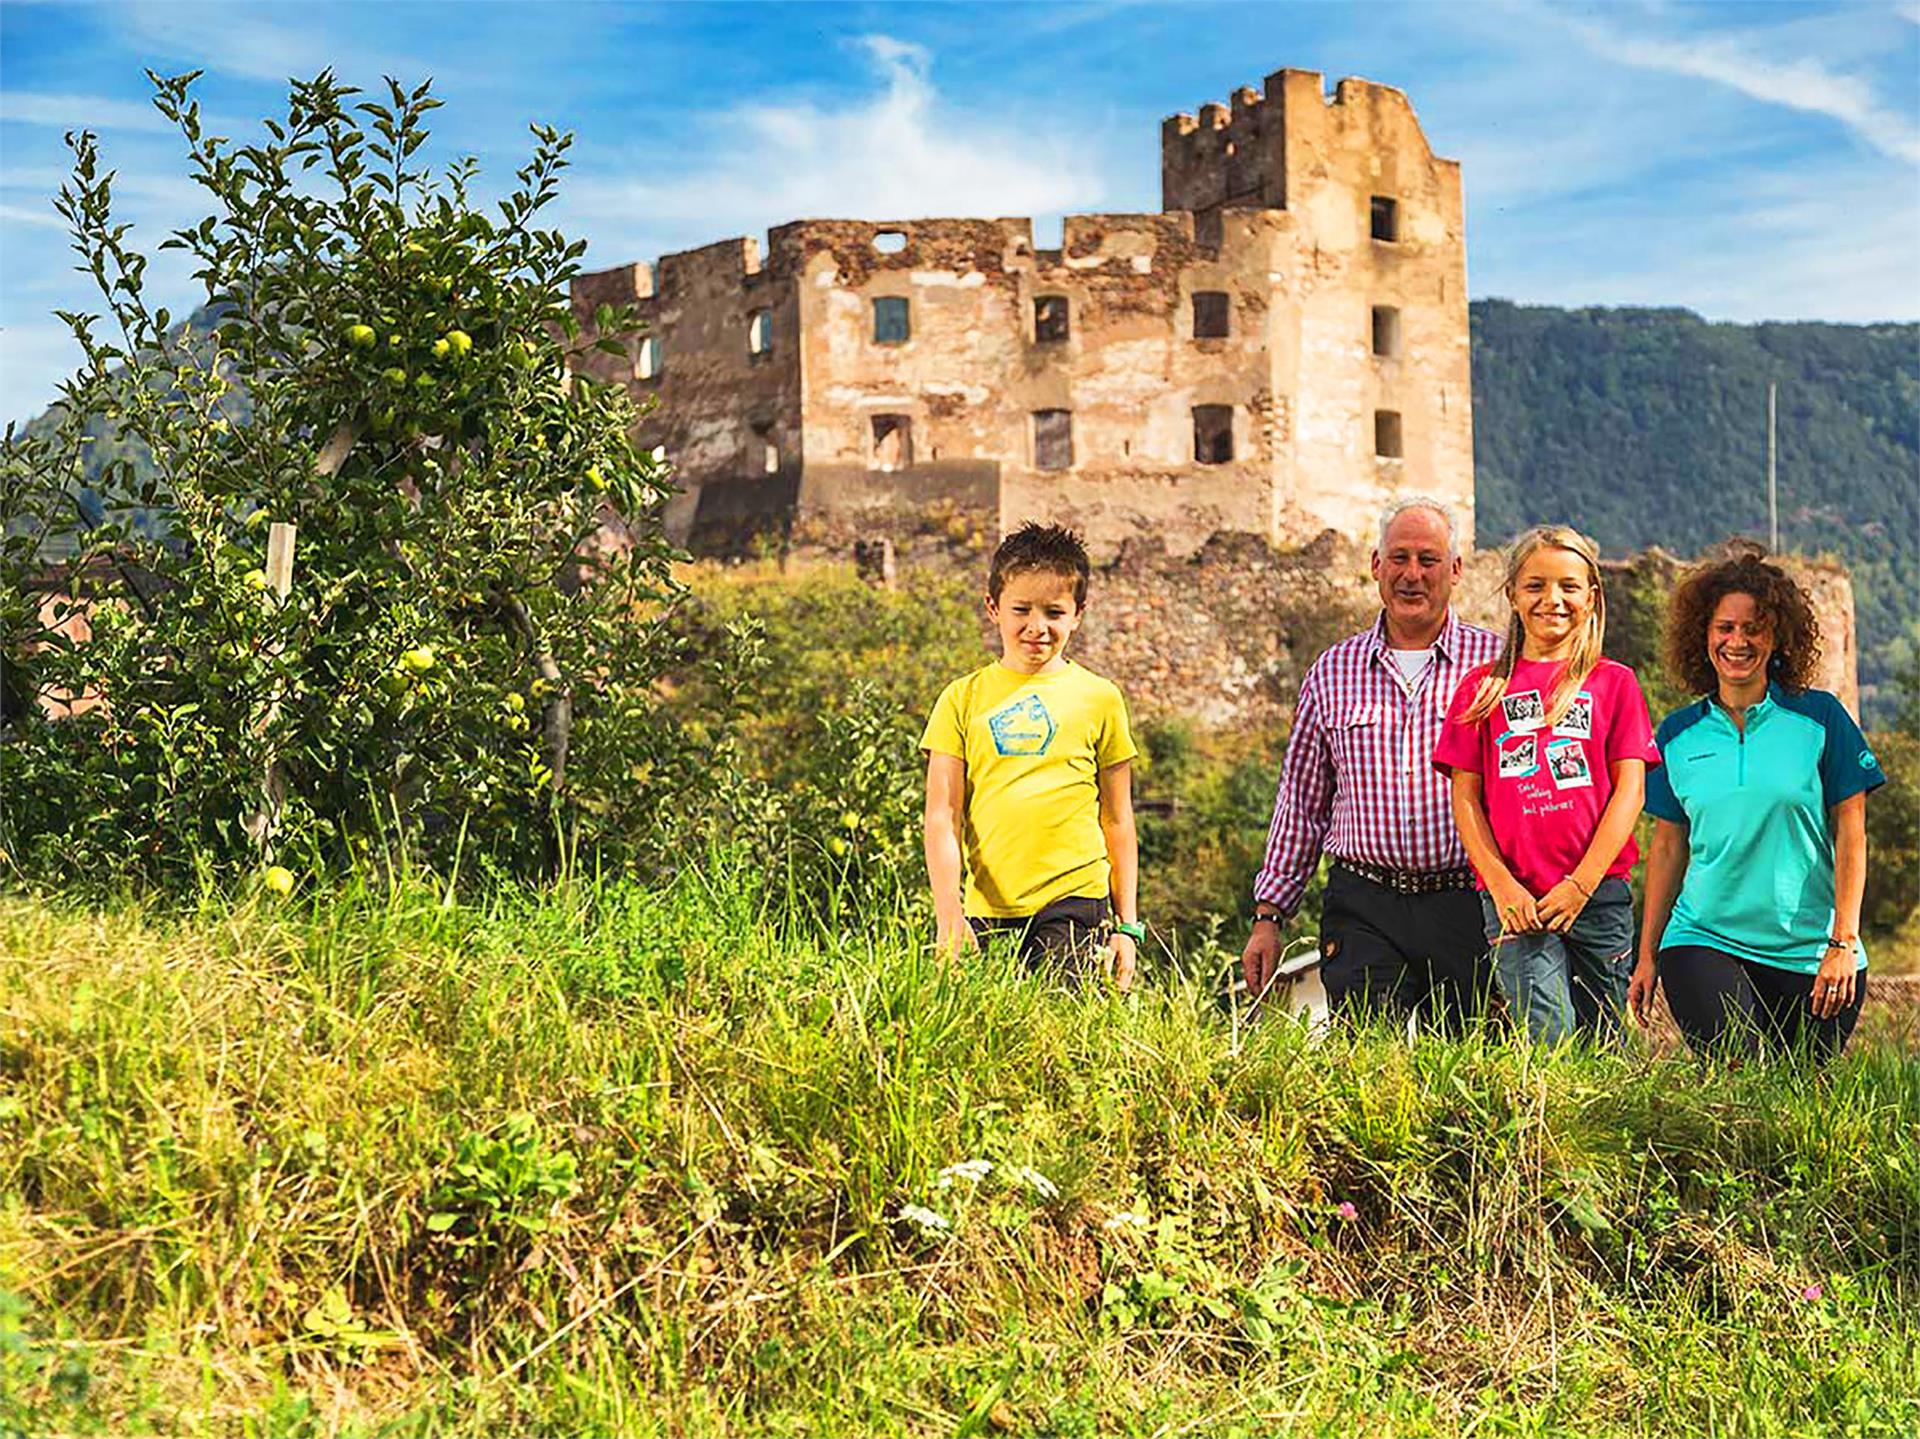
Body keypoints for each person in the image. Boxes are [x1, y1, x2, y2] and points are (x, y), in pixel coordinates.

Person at [1243, 498, 1500, 1028]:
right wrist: (1270, 916)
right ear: (1375, 566)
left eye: (1428, 560)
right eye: (1398, 558)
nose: (1412, 575)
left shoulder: (1495, 666)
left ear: (1454, 571)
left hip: (1465, 902)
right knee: (1366, 1060)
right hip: (1364, 902)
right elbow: (1302, 804)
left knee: (1470, 1061)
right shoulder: (1332, 672)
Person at [1627, 546, 1883, 1062]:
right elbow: (1668, 848)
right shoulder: (1677, 734)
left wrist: (1842, 941)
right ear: (1704, 634)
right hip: (1704, 937)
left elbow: (1851, 833)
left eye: (1753, 628)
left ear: (1777, 637)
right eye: (1724, 628)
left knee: (1798, 1103)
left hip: (1812, 951)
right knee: (1738, 1074)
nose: (1737, 641)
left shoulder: (1821, 719)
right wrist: (1647, 954)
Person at [1433, 525, 1658, 1044]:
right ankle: (1545, 1126)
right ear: (1512, 593)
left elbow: (1632, 792)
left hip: (1597, 895)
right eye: (1535, 586)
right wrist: (1501, 883)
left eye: (1568, 586)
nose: (1551, 600)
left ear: (1591, 596)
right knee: (1548, 1036)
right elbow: (1465, 800)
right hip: (1517, 898)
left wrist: (1581, 885)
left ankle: (1609, 1128)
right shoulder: (1481, 690)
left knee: (1605, 1040)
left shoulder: (1614, 683)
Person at [921, 521, 1143, 987]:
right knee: (991, 1047)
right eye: (1021, 609)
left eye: (1054, 612)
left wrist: (1127, 927)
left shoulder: (1099, 698)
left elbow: (1118, 819)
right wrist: (949, 916)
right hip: (988, 907)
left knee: (1062, 1037)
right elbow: (943, 815)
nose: (1037, 627)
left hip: (1074, 898)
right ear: (993, 608)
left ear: (1078, 614)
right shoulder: (961, 699)